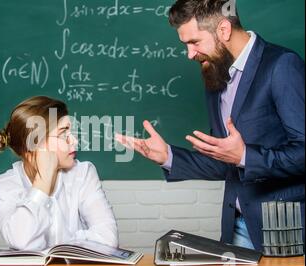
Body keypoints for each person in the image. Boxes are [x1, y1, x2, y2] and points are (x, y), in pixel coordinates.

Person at [116, 0, 304, 251]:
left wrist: (246, 156)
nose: (190, 54)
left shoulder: (281, 65)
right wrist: (168, 157)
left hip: (285, 230)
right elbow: (225, 161)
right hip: (236, 227)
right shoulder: (215, 73)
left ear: (224, 30)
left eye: (194, 42)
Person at [0, 96, 118, 251]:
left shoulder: (83, 173)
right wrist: (43, 182)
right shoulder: (1, 186)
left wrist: (56, 245)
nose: (74, 141)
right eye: (63, 134)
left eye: (71, 132)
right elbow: (21, 242)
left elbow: (108, 239)